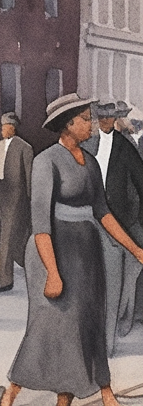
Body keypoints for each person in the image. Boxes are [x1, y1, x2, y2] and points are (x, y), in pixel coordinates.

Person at [0, 93, 143, 406]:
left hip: (86, 251)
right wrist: (53, 273)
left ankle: (79, 396)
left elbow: (103, 212)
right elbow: (40, 225)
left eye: (91, 118)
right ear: (67, 125)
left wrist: (136, 249)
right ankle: (11, 392)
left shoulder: (89, 163)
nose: (91, 124)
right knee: (49, 327)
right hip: (52, 251)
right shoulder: (45, 161)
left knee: (89, 322)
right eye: (85, 119)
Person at [82, 99, 143, 352]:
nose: (105, 122)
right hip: (93, 217)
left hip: (123, 218)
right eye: (101, 118)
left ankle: (124, 317)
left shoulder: (125, 146)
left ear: (116, 119)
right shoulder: (88, 144)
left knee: (127, 271)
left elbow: (140, 182)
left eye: (109, 118)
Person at [0, 111, 33, 292]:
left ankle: (6, 280)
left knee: (8, 238)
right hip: (0, 196)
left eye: (6, 127)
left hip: (17, 198)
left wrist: (31, 200)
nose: (3, 130)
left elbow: (29, 176)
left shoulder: (24, 147)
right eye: (1, 127)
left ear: (13, 128)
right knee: (9, 238)